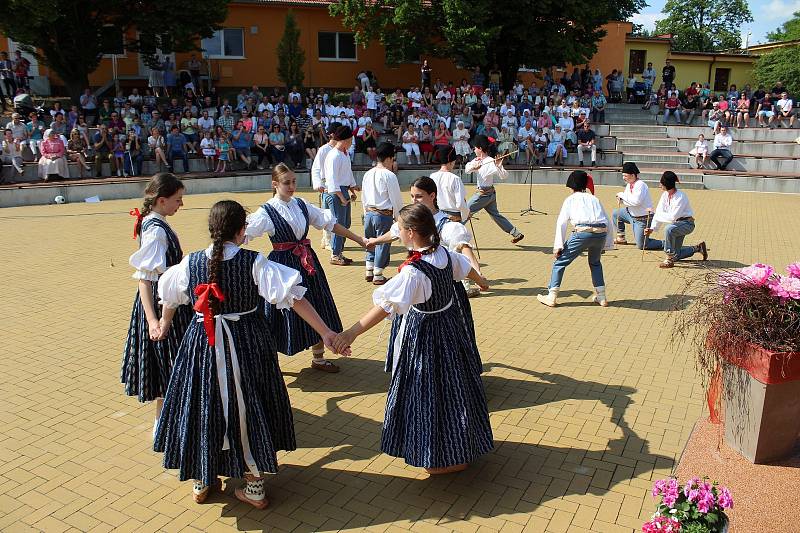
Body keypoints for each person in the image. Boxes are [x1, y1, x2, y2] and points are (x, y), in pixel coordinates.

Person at [155, 200, 346, 506]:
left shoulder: (189, 263)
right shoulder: (254, 262)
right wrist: (326, 332)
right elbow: (293, 298)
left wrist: (163, 325)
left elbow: (170, 297)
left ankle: (203, 478)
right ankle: (254, 483)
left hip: (203, 342)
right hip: (248, 343)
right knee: (250, 402)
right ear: (242, 230)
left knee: (206, 401)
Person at [332, 203, 492, 475]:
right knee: (455, 389)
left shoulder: (414, 272)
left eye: (400, 228)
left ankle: (436, 454)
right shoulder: (444, 255)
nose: (397, 232)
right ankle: (461, 447)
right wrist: (483, 282)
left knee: (427, 391)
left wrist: (351, 333)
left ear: (410, 232)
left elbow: (385, 307)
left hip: (426, 338)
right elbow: (468, 269)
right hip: (451, 330)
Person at [245, 164, 365, 373]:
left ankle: (318, 358)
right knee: (279, 313)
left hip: (308, 263)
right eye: (286, 182)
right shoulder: (266, 211)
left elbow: (330, 224)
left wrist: (360, 239)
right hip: (282, 266)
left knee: (317, 305)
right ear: (275, 184)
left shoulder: (301, 204)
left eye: (293, 181)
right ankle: (270, 362)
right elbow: (243, 234)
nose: (292, 186)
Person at [122, 174, 193, 439]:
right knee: (169, 365)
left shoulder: (157, 223)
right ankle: (164, 426)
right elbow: (145, 280)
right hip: (161, 306)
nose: (181, 204)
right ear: (162, 200)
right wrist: (154, 321)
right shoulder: (155, 231)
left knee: (171, 366)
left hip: (169, 302)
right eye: (178, 199)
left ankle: (166, 423)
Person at [538, 170, 613, 308]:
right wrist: (607, 244)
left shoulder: (570, 199)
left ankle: (552, 296)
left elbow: (561, 222)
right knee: (595, 263)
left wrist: (558, 246)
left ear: (571, 186)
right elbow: (608, 221)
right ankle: (602, 297)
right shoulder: (594, 199)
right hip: (601, 232)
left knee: (560, 262)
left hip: (582, 232)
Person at [465, 135, 524, 243]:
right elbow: (467, 170)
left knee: (464, 212)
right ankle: (516, 233)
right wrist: (474, 167)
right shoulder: (477, 160)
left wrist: (498, 166)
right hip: (490, 195)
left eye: (475, 148)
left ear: (480, 149)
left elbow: (504, 176)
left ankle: (452, 236)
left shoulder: (491, 161)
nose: (474, 150)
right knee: (496, 215)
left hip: (483, 195)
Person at [644, 171, 708, 269]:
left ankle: (668, 258)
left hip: (687, 224)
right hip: (676, 225)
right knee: (676, 255)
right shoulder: (664, 195)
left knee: (668, 229)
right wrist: (652, 228)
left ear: (667, 184)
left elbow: (672, 217)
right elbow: (660, 212)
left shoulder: (681, 196)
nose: (659, 185)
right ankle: (698, 248)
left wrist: (656, 213)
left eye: (661, 183)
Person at [360, 142, 403, 285]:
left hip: (369, 213)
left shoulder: (368, 173)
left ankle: (369, 269)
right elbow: (395, 199)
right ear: (389, 158)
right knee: (383, 242)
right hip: (383, 214)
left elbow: (363, 196)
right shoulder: (389, 175)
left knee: (370, 241)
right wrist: (399, 218)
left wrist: (364, 212)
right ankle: (378, 274)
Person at [323, 125, 359, 266]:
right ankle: (335, 254)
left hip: (343, 190)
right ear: (345, 139)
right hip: (336, 192)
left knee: (346, 223)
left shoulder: (344, 153)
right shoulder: (334, 155)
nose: (351, 143)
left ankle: (339, 252)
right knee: (339, 224)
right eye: (350, 140)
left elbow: (347, 174)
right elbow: (332, 180)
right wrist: (342, 196)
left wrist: (352, 189)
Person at [611, 162, 657, 250]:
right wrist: (621, 199)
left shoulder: (641, 185)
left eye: (625, 176)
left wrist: (622, 195)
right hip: (630, 214)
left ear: (632, 175)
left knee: (642, 245)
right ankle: (621, 237)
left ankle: (665, 243)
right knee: (616, 213)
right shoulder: (629, 184)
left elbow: (636, 202)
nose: (623, 178)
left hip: (642, 219)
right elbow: (628, 200)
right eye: (623, 175)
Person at [311, 123, 340, 252]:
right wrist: (318, 184)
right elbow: (316, 168)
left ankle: (328, 239)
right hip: (326, 186)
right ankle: (327, 239)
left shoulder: (342, 149)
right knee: (328, 214)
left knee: (336, 215)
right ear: (333, 134)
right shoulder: (324, 149)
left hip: (338, 185)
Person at [430, 146, 470, 222]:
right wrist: (465, 215)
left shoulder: (432, 176)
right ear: (452, 162)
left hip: (437, 215)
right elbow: (460, 203)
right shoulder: (455, 178)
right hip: (453, 215)